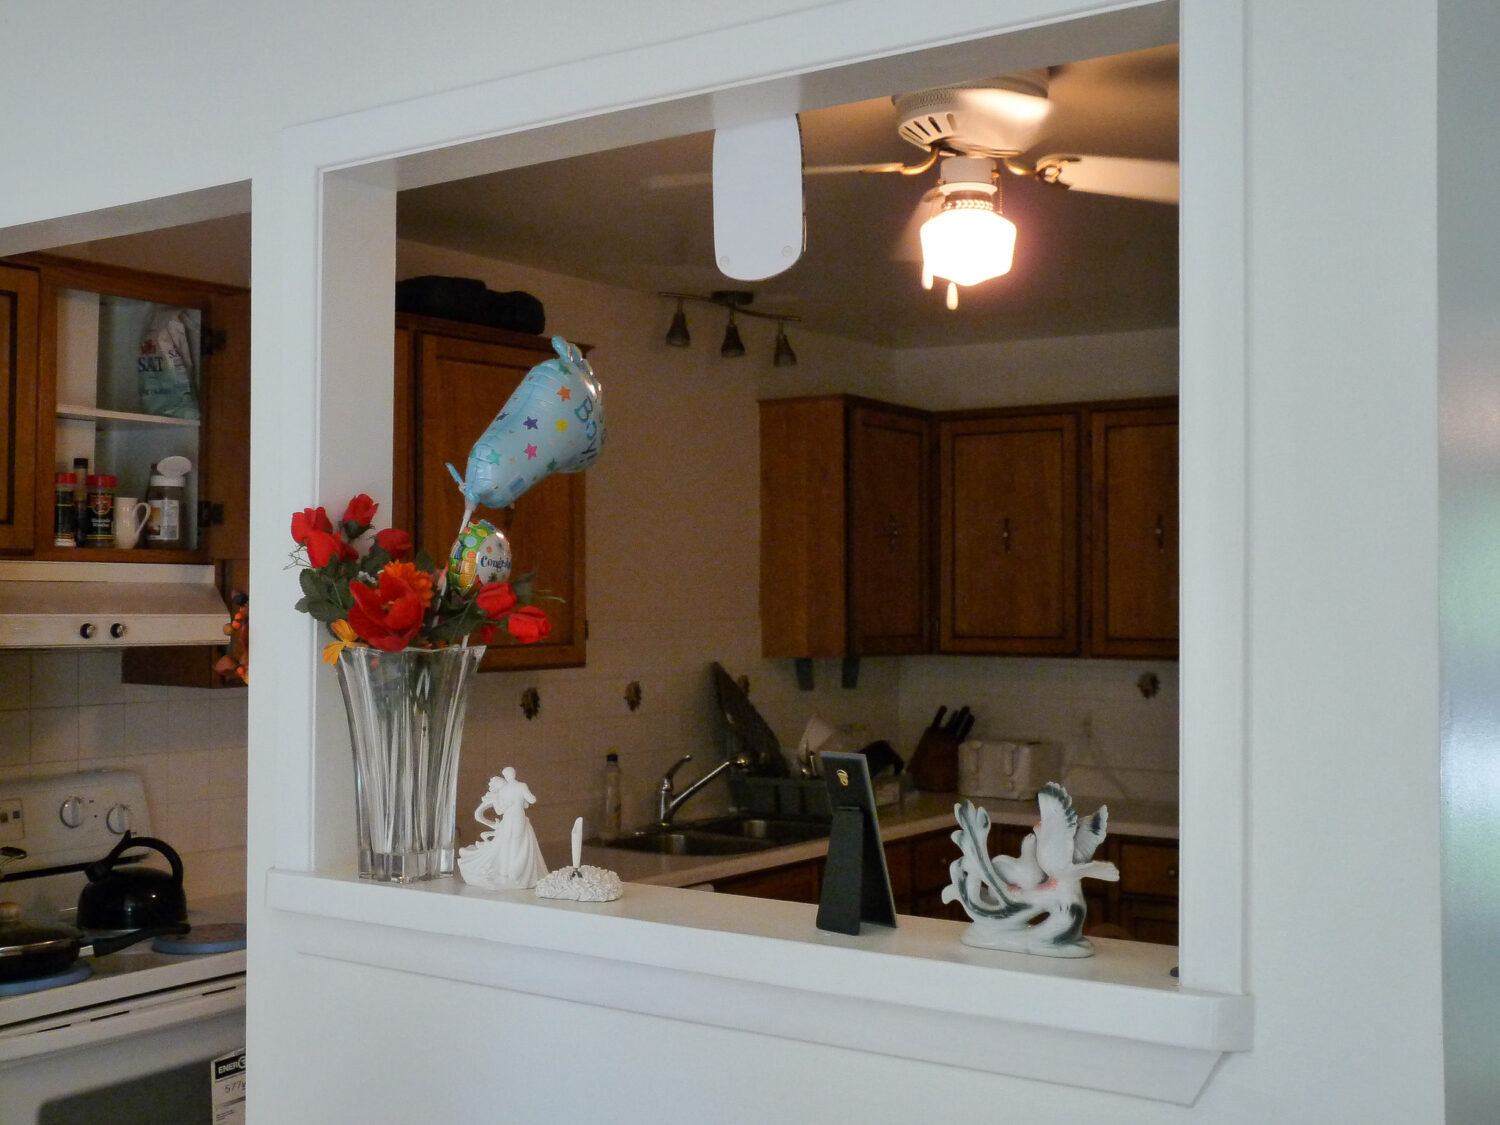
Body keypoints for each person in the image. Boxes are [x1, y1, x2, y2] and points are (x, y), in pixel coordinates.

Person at [457, 767, 549, 890]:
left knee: (507, 843)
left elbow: (499, 811)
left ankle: (508, 871)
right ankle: (516, 872)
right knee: (517, 842)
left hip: (508, 819)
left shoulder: (502, 791)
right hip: (517, 817)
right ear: (515, 774)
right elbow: (532, 800)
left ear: (505, 776)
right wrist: (521, 800)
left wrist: (510, 804)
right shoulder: (521, 785)